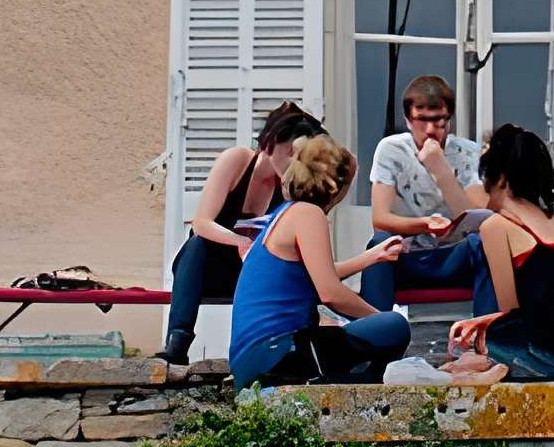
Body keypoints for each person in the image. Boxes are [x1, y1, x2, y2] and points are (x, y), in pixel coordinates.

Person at [226, 135, 411, 387]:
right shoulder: (308, 214)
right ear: (337, 188)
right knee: (394, 327)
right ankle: (360, 385)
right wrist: (379, 318)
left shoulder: (285, 213)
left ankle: (355, 380)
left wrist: (370, 257)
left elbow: (316, 274)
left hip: (254, 358)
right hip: (279, 353)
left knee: (374, 331)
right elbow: (330, 293)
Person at [157, 100, 319, 367]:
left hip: (256, 274)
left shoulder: (291, 185)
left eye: (300, 155)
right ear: (270, 143)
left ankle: (299, 348)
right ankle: (177, 343)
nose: (294, 161)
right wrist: (241, 242)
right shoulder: (236, 160)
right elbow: (202, 222)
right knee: (196, 245)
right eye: (290, 152)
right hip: (210, 269)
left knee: (298, 265)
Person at [447, 124, 554, 382]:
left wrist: (480, 325)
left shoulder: (496, 226)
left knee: (477, 339)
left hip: (544, 359)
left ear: (500, 179)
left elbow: (511, 313)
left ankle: (487, 370)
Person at [358, 73, 489, 314]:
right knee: (378, 243)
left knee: (484, 243)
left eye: (438, 120)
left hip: (453, 255)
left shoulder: (468, 152)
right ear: (408, 120)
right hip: (409, 256)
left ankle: (490, 339)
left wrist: (441, 170)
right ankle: (372, 336)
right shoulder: (391, 149)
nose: (430, 130)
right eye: (422, 120)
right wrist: (425, 224)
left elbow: (478, 218)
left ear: (448, 119)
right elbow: (380, 219)